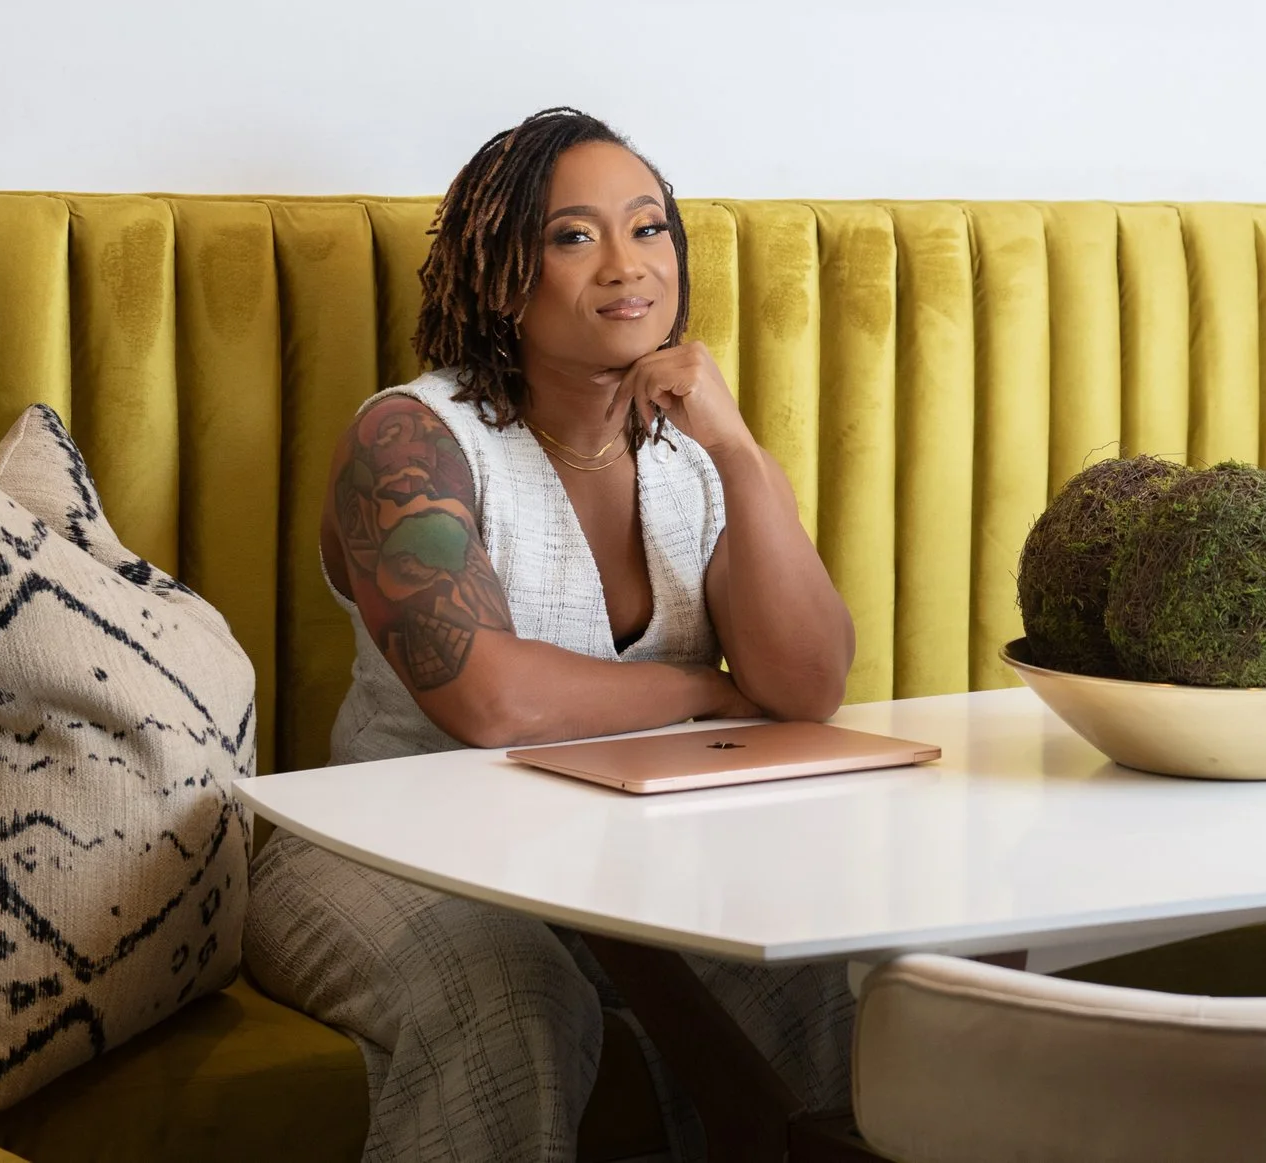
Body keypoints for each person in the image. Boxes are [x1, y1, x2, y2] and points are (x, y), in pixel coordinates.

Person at [244, 108, 858, 1163]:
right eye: (573, 236)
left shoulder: (692, 456)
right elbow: (489, 698)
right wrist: (706, 691)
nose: (627, 265)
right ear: (497, 272)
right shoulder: (408, 436)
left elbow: (804, 682)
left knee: (810, 965)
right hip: (384, 849)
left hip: (612, 858)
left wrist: (742, 451)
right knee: (514, 1000)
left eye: (649, 227)